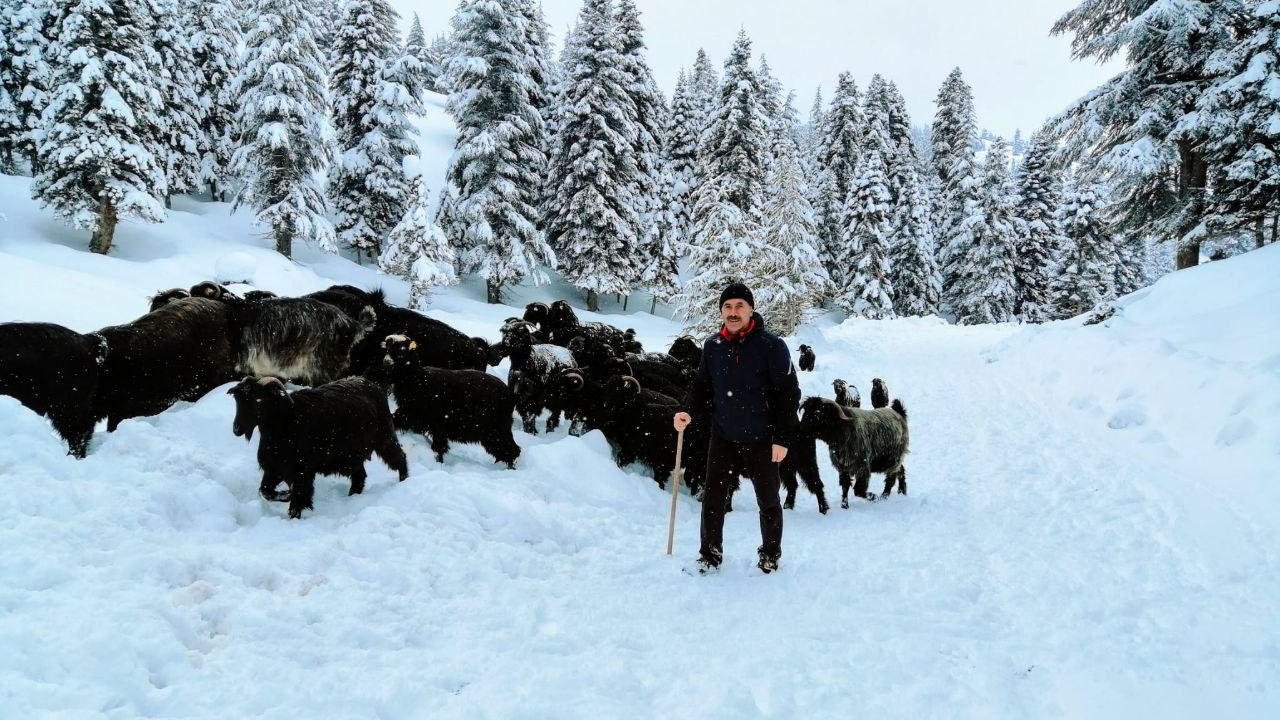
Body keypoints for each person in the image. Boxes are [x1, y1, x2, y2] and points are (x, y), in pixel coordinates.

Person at [673, 282, 800, 574]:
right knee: (714, 499)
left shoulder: (772, 346)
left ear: (751, 309)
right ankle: (709, 554)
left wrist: (782, 438)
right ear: (721, 311)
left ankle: (770, 553)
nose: (733, 312)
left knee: (768, 501)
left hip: (762, 437)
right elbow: (702, 387)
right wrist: (686, 410)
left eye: (739, 306)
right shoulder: (713, 347)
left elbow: (788, 394)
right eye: (728, 307)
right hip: (724, 436)